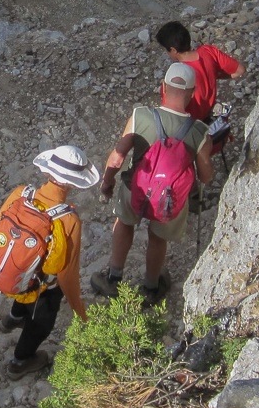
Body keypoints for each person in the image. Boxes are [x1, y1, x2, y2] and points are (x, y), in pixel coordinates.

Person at [91, 64, 213, 307]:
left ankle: (113, 278)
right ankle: (150, 287)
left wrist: (107, 184)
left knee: (124, 223)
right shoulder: (200, 131)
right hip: (171, 198)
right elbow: (206, 176)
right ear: (192, 93)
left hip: (134, 187)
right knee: (158, 238)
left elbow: (117, 157)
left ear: (163, 88)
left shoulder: (141, 116)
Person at [0, 146, 98, 378]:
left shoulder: (20, 193)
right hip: (41, 288)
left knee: (26, 272)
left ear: (48, 172)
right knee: (42, 324)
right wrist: (80, 310)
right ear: (73, 183)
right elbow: (66, 273)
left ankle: (13, 319)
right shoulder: (68, 219)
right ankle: (20, 361)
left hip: (13, 272)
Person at [155, 21, 244, 124]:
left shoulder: (177, 77)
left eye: (167, 51)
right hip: (207, 118)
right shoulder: (208, 51)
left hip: (188, 126)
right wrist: (213, 74)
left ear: (173, 50)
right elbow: (240, 70)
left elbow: (169, 113)